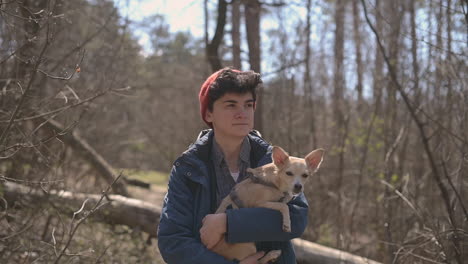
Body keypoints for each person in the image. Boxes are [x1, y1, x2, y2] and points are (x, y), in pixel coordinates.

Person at [157, 68, 309, 264]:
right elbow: (172, 241)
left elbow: (297, 219)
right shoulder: (188, 167)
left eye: (248, 105)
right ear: (209, 114)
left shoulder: (273, 161)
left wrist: (227, 223)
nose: (242, 113)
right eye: (231, 105)